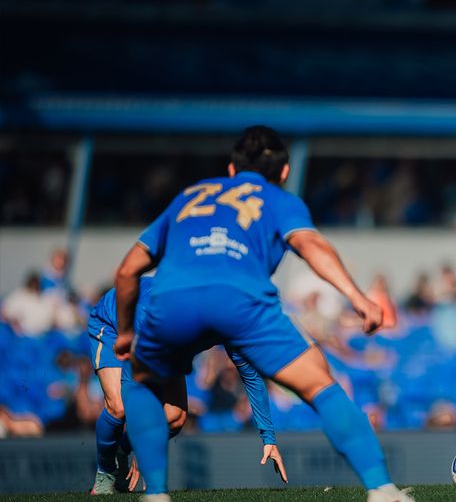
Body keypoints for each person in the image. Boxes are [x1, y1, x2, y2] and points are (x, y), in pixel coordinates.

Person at [112, 126, 412, 502]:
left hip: (172, 299)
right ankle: (382, 489)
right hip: (241, 299)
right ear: (284, 172)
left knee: (142, 381)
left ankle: (155, 494)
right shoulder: (277, 198)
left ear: (231, 169)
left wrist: (125, 331)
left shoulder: (190, 195)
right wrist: (356, 296)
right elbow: (310, 244)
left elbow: (127, 271)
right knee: (320, 383)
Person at [88, 276, 286, 494]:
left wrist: (269, 438)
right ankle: (105, 472)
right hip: (114, 322)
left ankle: (121, 450)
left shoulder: (231, 323)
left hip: (165, 343)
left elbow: (251, 378)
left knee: (175, 418)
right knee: (119, 407)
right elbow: (135, 387)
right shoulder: (160, 316)